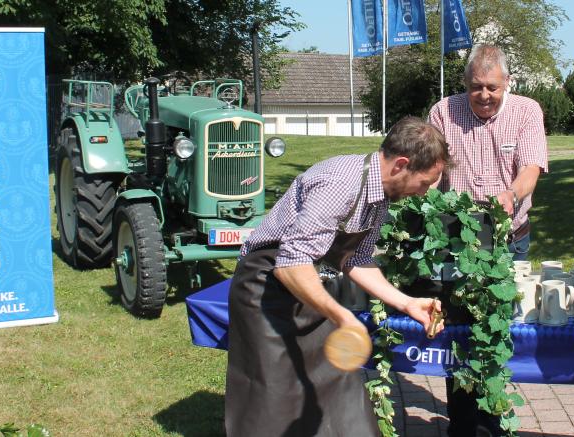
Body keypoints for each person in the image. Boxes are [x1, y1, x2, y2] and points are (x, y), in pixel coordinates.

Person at [224, 116, 449, 436]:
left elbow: (355, 258)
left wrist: (407, 303)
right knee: (271, 402)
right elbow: (290, 263)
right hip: (264, 291)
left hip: (305, 287)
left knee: (341, 390)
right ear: (401, 164)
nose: (424, 192)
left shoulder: (381, 195)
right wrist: (342, 316)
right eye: (425, 182)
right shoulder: (340, 183)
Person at [428, 43, 548, 437]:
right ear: (465, 83)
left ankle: (492, 420)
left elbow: (531, 166)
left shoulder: (527, 111)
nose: (484, 96)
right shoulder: (444, 112)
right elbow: (432, 170)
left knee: (499, 330)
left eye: (492, 88)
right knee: (461, 332)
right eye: (476, 87)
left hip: (510, 238)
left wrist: (511, 196)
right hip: (457, 243)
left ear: (507, 83)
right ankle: (462, 425)